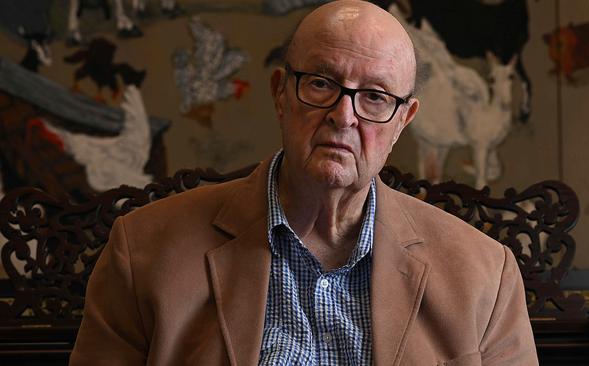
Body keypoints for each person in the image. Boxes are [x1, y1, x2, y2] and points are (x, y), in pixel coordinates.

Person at [70, 1, 538, 365]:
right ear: (280, 93)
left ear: (403, 121)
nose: (343, 115)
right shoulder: (144, 250)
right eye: (320, 84)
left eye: (374, 97)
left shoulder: (485, 275)